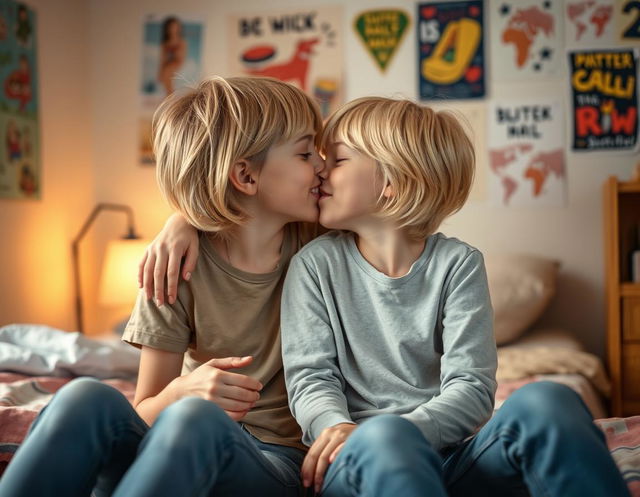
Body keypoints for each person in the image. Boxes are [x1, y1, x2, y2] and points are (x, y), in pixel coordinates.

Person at [279, 96, 630, 497]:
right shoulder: (313, 265)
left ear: (392, 183)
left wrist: (412, 430)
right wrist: (334, 427)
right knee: (385, 436)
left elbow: (472, 387)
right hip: (358, 459)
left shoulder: (458, 264)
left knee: (549, 398)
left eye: (338, 160)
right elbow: (311, 378)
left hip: (449, 457)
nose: (320, 170)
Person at [0, 75, 325, 497]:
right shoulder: (174, 268)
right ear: (245, 176)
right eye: (305, 153)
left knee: (194, 420)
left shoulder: (323, 244)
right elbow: (147, 409)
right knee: (85, 397)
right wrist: (179, 392)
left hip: (273, 463)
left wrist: (180, 218)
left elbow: (381, 211)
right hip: (167, 449)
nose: (321, 164)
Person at [157, 16, 186, 95]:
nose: (173, 29)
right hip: (168, 64)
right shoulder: (165, 43)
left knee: (167, 72)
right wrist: (160, 72)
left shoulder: (182, 42)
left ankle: (170, 95)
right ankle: (169, 95)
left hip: (176, 63)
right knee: (166, 74)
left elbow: (181, 57)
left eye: (175, 27)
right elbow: (163, 59)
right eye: (171, 27)